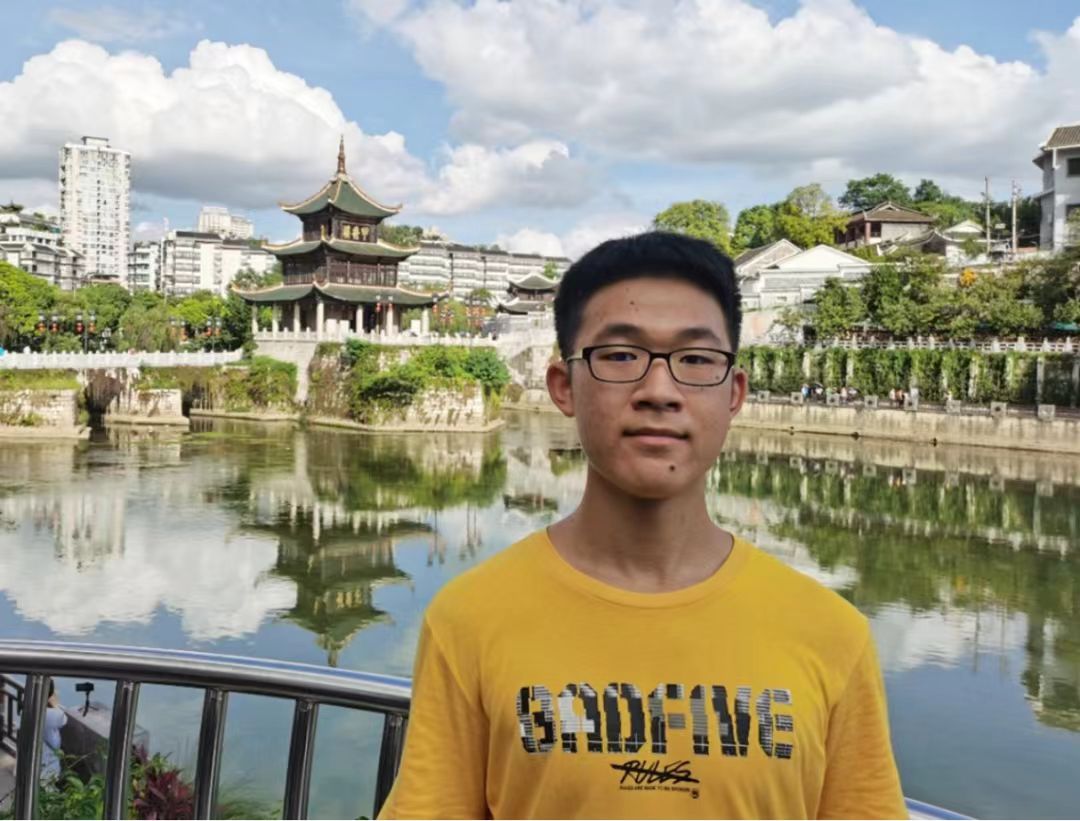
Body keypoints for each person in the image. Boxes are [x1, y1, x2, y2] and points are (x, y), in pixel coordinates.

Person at [379, 231, 905, 819]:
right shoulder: (470, 620)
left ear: (734, 393)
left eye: (696, 360)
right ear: (563, 387)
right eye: (621, 356)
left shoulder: (831, 634)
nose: (659, 391)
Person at [41, 679, 67, 781]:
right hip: (47, 765)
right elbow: (63, 719)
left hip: (30, 762)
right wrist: (55, 703)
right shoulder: (52, 714)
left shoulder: (30, 707)